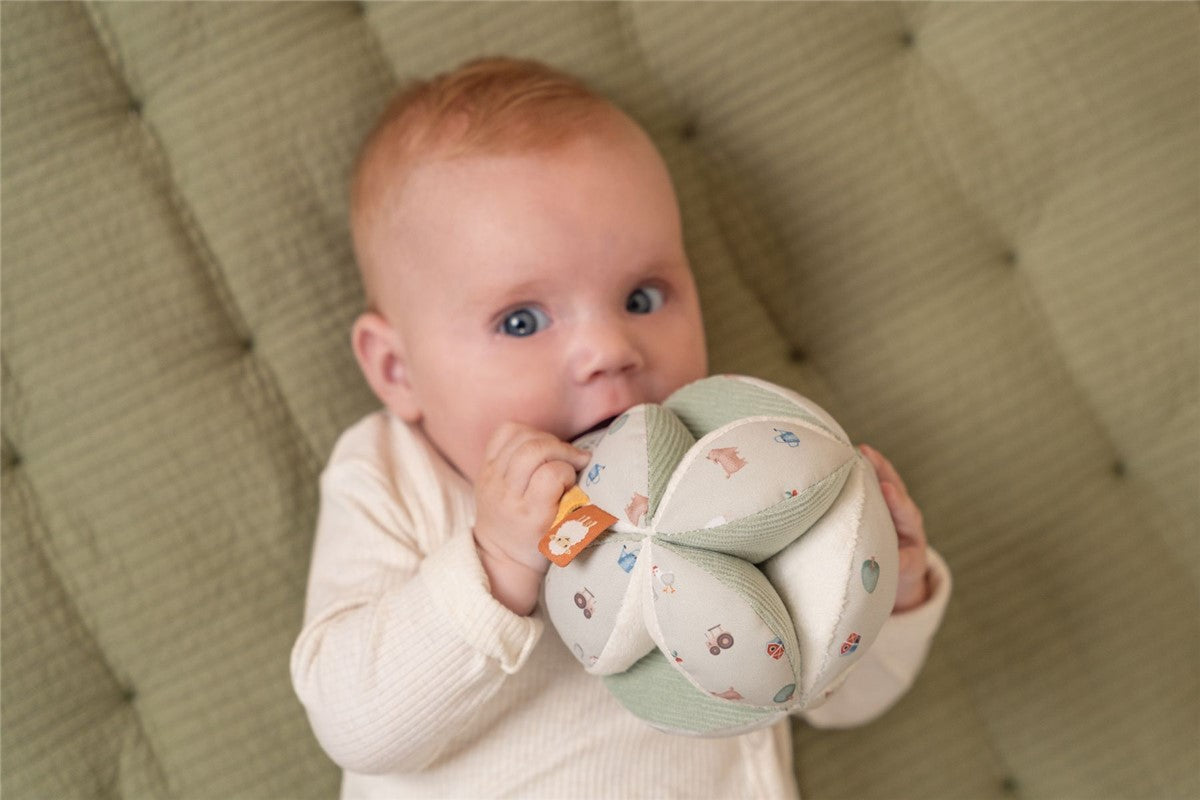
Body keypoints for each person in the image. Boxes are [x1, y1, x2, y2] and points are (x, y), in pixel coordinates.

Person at [290, 57, 951, 799]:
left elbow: (838, 695)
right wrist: (495, 563)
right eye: (521, 320)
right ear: (397, 369)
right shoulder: (390, 475)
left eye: (642, 296)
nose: (610, 350)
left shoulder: (732, 466)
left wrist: (883, 589)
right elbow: (355, 724)